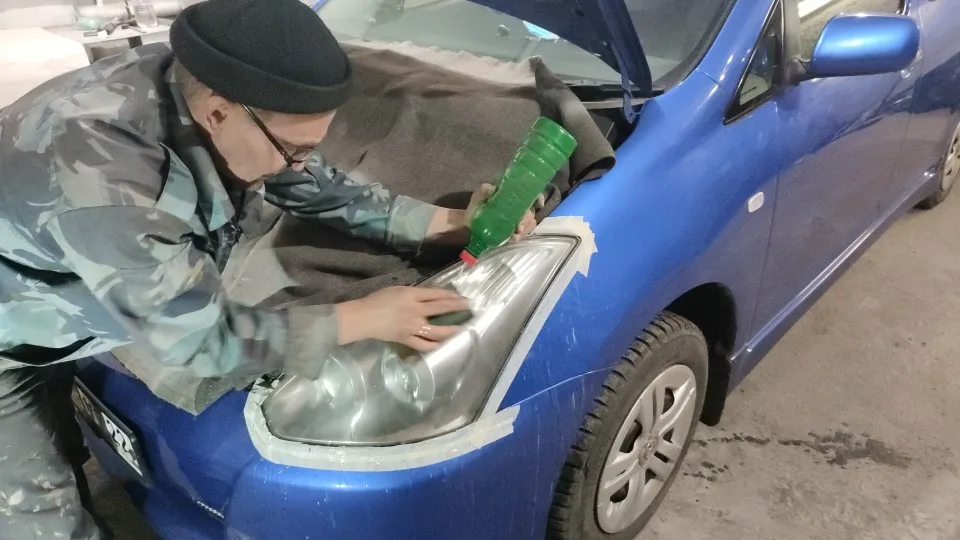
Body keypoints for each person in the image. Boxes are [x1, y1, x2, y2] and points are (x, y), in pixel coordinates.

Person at [0, 0, 538, 537]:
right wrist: (362, 318)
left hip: (55, 295)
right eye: (293, 148)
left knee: (59, 443)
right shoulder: (108, 181)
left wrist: (445, 222)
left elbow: (305, 180)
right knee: (39, 520)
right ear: (218, 114)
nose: (298, 163)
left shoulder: (211, 87)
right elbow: (200, 343)